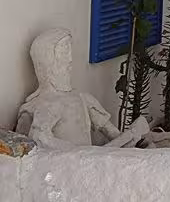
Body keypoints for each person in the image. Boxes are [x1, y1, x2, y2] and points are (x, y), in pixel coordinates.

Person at [16, 29, 149, 149]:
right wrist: (79, 153)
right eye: (63, 53)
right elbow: (38, 138)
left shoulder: (83, 98)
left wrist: (131, 137)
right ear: (47, 61)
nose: (70, 59)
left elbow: (114, 135)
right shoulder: (44, 105)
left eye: (69, 52)